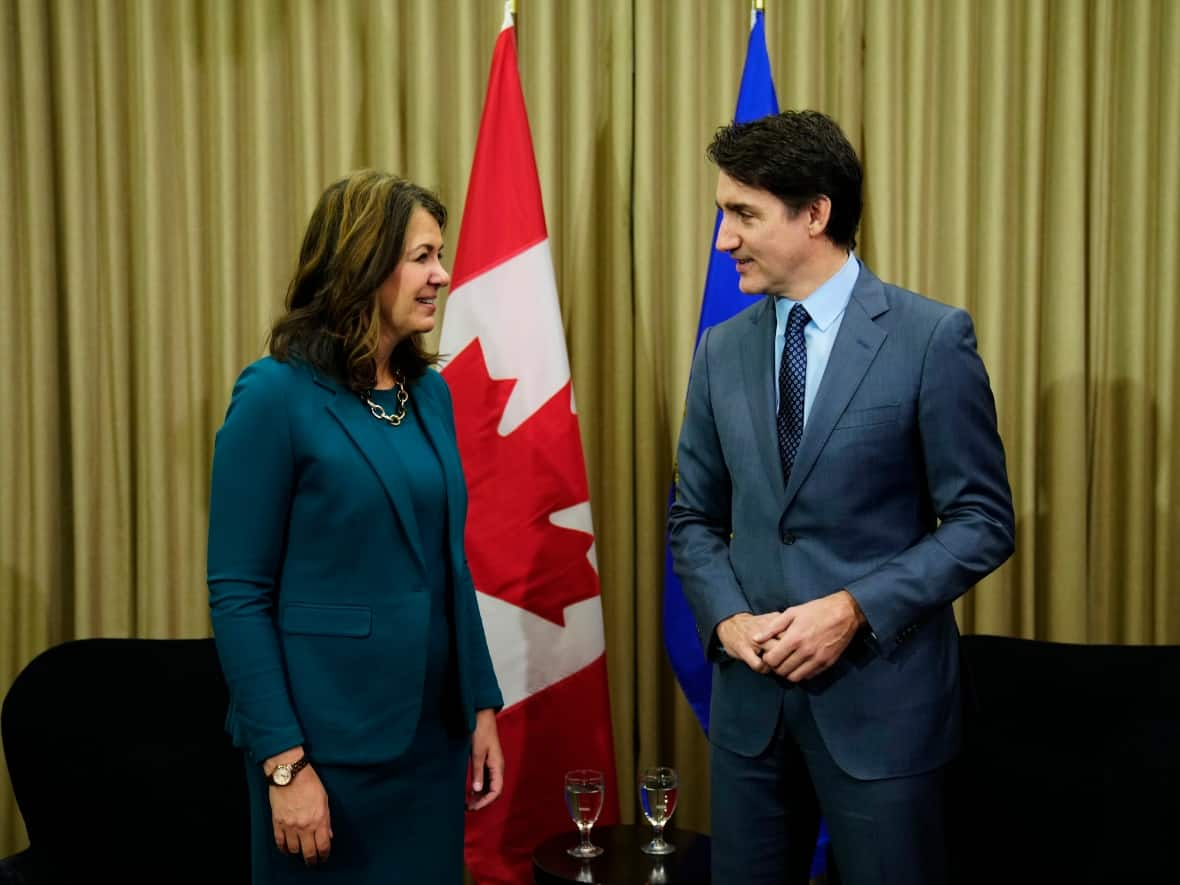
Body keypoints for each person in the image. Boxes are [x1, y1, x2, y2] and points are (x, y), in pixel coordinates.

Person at [668, 111, 1015, 885]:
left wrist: (853, 607)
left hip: (883, 717)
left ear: (815, 213)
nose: (724, 239)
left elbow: (983, 521)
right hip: (750, 720)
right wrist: (726, 618)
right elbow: (693, 516)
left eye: (743, 214)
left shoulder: (931, 338)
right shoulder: (722, 351)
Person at [207, 170, 504, 884]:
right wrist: (285, 766)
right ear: (363, 262)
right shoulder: (275, 395)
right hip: (325, 754)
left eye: (441, 254)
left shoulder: (428, 394)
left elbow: (447, 565)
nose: (442, 274)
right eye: (423, 257)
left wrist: (481, 702)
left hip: (431, 745)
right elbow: (238, 593)